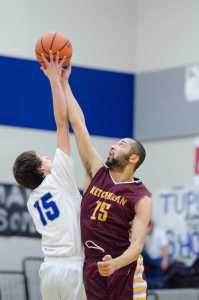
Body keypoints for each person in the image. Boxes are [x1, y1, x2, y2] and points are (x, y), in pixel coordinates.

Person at [60, 64, 152, 300]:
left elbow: (137, 246)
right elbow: (78, 124)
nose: (113, 145)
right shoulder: (96, 172)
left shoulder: (141, 197)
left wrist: (116, 264)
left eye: (121, 144)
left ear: (133, 158)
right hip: (93, 265)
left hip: (125, 270)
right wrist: (64, 82)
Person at [13, 52, 86, 300]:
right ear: (40, 169)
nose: (48, 157)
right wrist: (55, 81)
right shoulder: (60, 177)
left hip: (49, 270)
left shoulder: (33, 200)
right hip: (72, 268)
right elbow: (62, 123)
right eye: (43, 157)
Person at [142, 221, 169, 288]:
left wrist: (165, 260)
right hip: (149, 259)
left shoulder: (160, 233)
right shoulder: (144, 234)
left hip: (158, 259)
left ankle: (157, 284)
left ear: (152, 226)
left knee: (158, 279)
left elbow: (164, 247)